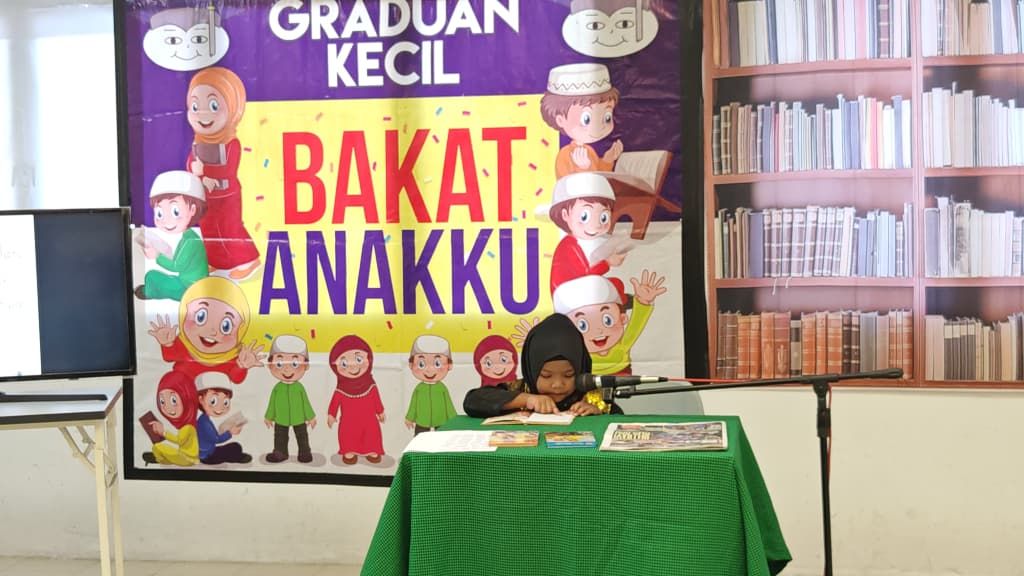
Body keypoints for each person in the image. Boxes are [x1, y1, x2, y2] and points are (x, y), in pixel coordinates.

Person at [464, 313, 622, 417]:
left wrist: (597, 414)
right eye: (546, 375)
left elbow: (619, 422)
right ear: (531, 371)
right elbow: (473, 401)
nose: (558, 385)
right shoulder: (520, 389)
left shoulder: (593, 397)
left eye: (569, 375)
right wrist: (526, 400)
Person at [327, 335, 385, 465]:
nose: (353, 367)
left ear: (368, 359)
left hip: (369, 420)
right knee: (348, 435)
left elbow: (376, 399)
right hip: (348, 421)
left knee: (371, 434)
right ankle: (349, 451)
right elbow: (335, 402)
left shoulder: (371, 385)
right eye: (344, 363)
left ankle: (372, 450)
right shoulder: (340, 389)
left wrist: (380, 411)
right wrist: (331, 414)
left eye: (358, 359)